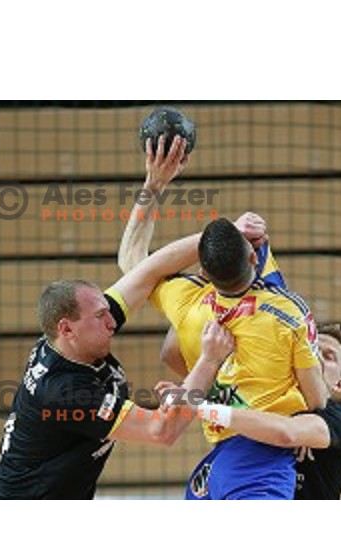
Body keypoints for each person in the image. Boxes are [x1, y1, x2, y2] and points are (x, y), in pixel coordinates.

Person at [0, 136, 233, 499]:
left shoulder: (72, 339)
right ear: (66, 328)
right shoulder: (66, 391)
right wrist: (209, 359)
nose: (112, 320)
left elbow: (142, 270)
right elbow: (162, 431)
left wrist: (157, 187)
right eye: (100, 316)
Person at [118, 137, 329, 499]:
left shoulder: (188, 303)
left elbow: (132, 261)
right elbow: (317, 399)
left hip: (218, 457)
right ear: (252, 259)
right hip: (265, 454)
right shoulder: (289, 312)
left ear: (203, 271)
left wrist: (153, 184)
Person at [160, 323, 341, 500]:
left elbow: (286, 433)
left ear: (339, 385)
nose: (317, 359)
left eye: (329, 356)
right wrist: (195, 298)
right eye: (313, 349)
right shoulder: (256, 397)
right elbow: (171, 354)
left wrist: (199, 405)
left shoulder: (340, 418)